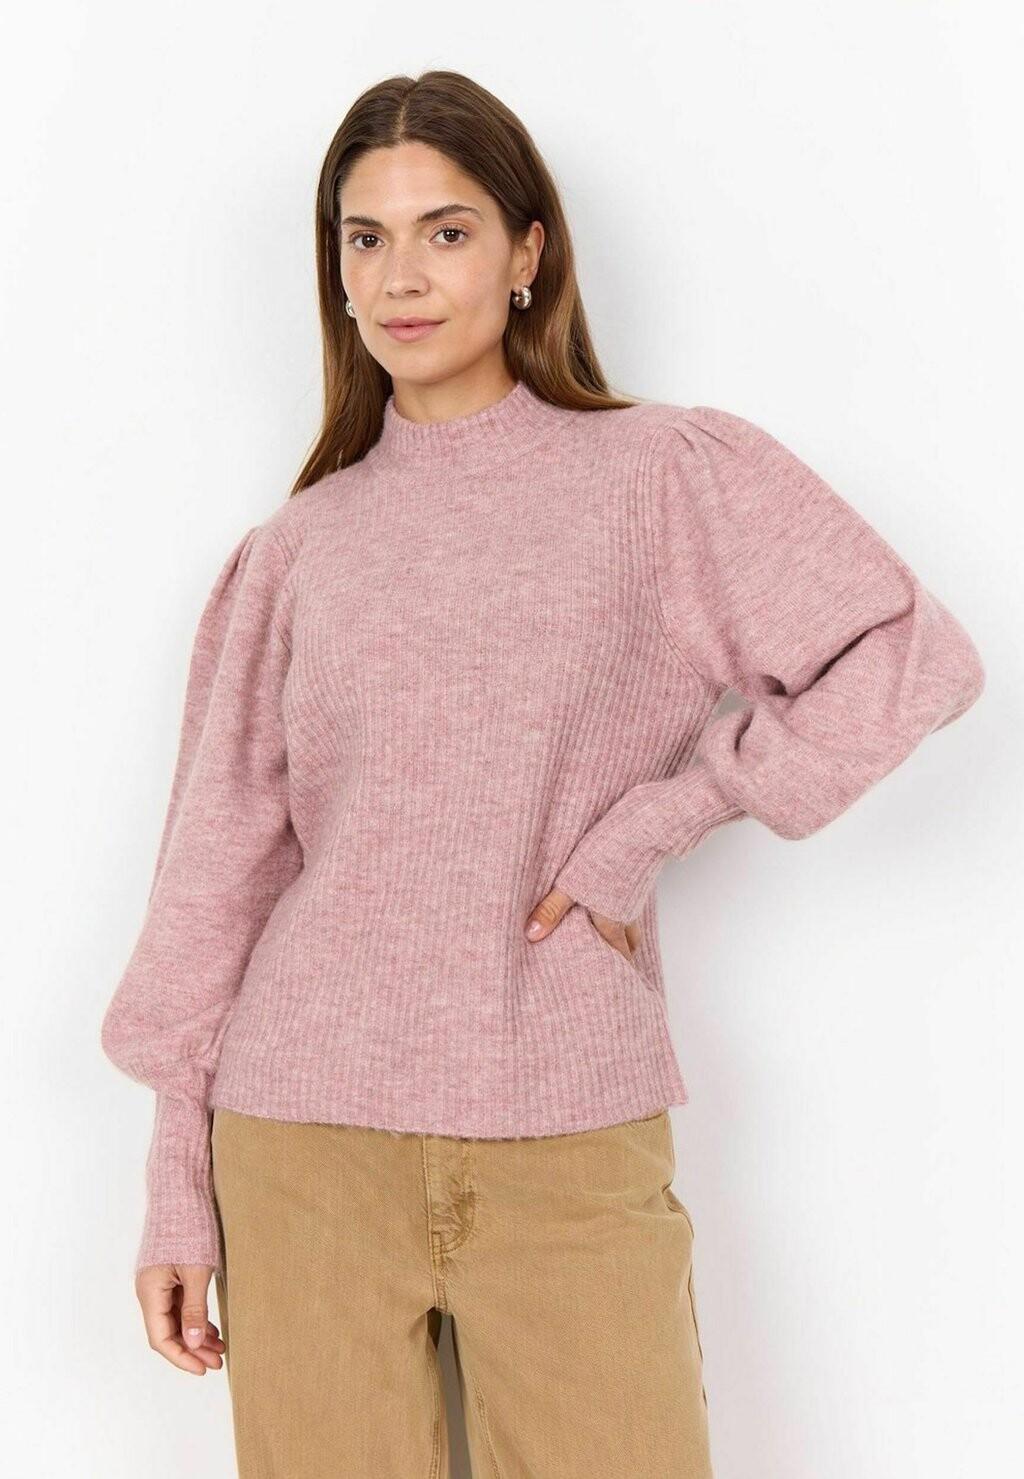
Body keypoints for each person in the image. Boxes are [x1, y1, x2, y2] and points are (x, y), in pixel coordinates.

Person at [100, 69, 985, 1478]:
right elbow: (218, 868)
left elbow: (913, 658)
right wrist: (173, 1183)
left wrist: (659, 821)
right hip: (301, 1144)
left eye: (446, 232)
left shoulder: (661, 477)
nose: (401, 276)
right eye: (365, 237)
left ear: (528, 252)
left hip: (565, 1131)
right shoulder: (298, 550)